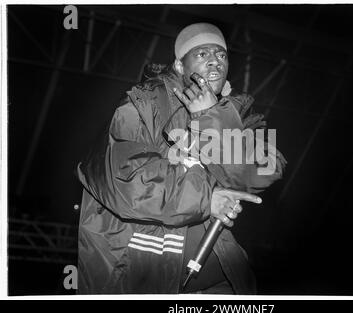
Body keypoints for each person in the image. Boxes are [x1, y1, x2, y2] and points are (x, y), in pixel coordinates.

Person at [76, 22, 286, 294]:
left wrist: (212, 116)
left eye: (221, 55)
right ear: (179, 66)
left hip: (218, 279)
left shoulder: (241, 116)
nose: (215, 61)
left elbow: (262, 171)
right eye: (202, 54)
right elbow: (122, 175)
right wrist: (206, 198)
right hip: (141, 274)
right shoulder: (144, 102)